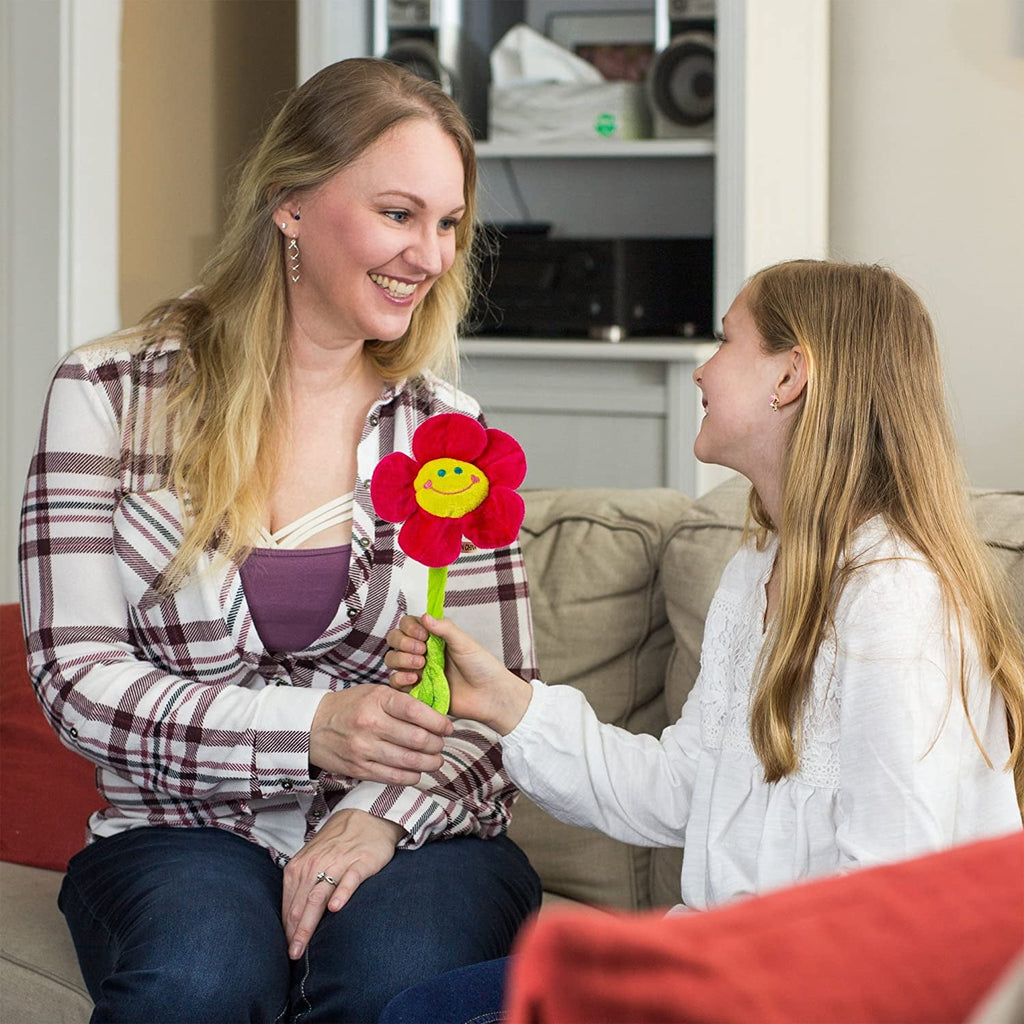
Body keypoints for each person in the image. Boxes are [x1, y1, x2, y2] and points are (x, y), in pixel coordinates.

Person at [19, 57, 542, 1024]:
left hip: (405, 833)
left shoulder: (448, 431)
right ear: (291, 204)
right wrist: (310, 729)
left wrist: (373, 817)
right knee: (200, 978)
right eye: (398, 214)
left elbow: (495, 704)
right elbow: (74, 677)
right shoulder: (108, 395)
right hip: (176, 830)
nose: (430, 255)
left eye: (448, 223)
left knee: (397, 977)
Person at [381, 259, 1024, 1023]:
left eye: (725, 341)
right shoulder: (757, 570)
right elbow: (683, 789)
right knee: (419, 1010)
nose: (702, 369)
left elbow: (891, 917)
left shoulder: (893, 602)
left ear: (790, 376)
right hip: (725, 968)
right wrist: (508, 705)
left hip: (796, 997)